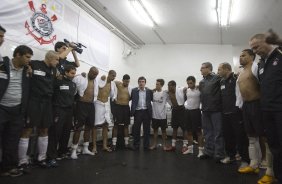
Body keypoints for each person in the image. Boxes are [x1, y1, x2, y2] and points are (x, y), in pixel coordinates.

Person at [237, 49, 274, 184]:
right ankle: (254, 165)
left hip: (258, 104)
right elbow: (239, 92)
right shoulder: (241, 73)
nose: (240, 58)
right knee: (251, 136)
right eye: (240, 56)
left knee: (264, 136)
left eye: (243, 55)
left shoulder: (257, 68)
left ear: (251, 56)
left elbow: (264, 85)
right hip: (246, 106)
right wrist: (240, 105)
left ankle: (268, 166)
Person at [18, 50, 59, 169]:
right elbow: (23, 63)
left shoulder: (54, 70)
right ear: (50, 58)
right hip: (34, 101)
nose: (57, 62)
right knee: (27, 130)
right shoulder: (34, 64)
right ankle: (22, 161)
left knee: (44, 130)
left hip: (47, 103)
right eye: (56, 60)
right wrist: (27, 68)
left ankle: (41, 158)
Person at [250, 32, 282, 184]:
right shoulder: (261, 64)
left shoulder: (280, 54)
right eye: (253, 48)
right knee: (274, 146)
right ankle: (278, 176)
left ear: (266, 42)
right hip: (267, 110)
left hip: (280, 109)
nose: (254, 51)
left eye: (256, 47)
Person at [0, 45, 33, 177]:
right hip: (1, 108)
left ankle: (8, 167)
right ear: (18, 55)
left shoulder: (27, 70)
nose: (29, 60)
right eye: (27, 57)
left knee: (12, 140)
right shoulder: (2, 64)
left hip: (17, 111)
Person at [217, 63, 249, 166]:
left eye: (220, 69)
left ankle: (245, 160)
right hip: (225, 113)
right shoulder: (221, 81)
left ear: (227, 69)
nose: (218, 71)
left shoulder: (236, 78)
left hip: (236, 113)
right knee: (228, 136)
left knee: (240, 136)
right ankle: (231, 156)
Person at [47, 65, 77, 163]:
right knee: (55, 133)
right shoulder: (57, 81)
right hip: (58, 110)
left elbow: (73, 98)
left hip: (69, 111)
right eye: (72, 73)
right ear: (66, 72)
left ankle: (62, 152)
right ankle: (51, 156)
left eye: (74, 73)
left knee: (66, 133)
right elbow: (51, 95)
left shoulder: (73, 85)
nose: (73, 75)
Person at [70, 67, 99, 159]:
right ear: (89, 71)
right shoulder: (80, 78)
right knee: (78, 128)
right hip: (81, 104)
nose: (94, 76)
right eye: (93, 74)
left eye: (96, 74)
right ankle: (74, 150)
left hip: (91, 105)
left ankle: (85, 148)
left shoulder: (96, 81)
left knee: (88, 127)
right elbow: (72, 87)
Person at [198, 62, 224, 163]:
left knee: (218, 133)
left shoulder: (217, 78)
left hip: (216, 110)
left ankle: (219, 153)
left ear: (209, 68)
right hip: (205, 110)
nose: (200, 70)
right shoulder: (202, 82)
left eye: (202, 68)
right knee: (208, 133)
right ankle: (209, 152)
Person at [92, 70, 116, 153]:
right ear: (108, 74)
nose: (113, 77)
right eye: (112, 75)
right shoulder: (101, 79)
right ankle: (94, 147)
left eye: (114, 76)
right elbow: (95, 82)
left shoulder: (112, 84)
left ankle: (104, 146)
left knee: (105, 126)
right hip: (98, 104)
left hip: (106, 104)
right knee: (95, 126)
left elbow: (112, 95)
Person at [183, 76, 204, 157]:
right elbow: (186, 100)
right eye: (188, 83)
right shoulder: (187, 90)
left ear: (195, 82)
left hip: (196, 112)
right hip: (188, 112)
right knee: (189, 131)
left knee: (198, 132)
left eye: (191, 83)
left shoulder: (199, 89)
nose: (189, 85)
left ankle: (201, 150)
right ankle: (190, 149)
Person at [130, 76, 153, 151]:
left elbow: (152, 100)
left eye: (142, 81)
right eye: (140, 82)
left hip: (146, 111)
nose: (141, 83)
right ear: (138, 83)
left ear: (145, 83)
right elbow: (130, 99)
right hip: (138, 112)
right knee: (136, 129)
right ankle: (136, 145)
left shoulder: (149, 91)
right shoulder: (134, 91)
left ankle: (146, 146)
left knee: (147, 130)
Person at [166, 80, 188, 153]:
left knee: (184, 128)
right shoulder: (168, 92)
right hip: (174, 111)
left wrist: (186, 89)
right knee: (174, 128)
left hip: (182, 110)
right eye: (168, 86)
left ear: (174, 86)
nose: (168, 87)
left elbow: (184, 88)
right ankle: (173, 146)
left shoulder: (179, 89)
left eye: (170, 86)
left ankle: (185, 146)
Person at [111, 74, 131, 150]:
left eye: (128, 82)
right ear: (122, 80)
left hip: (126, 108)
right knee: (116, 125)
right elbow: (111, 80)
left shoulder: (130, 88)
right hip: (118, 107)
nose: (127, 83)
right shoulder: (118, 84)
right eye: (126, 81)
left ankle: (126, 143)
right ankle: (113, 144)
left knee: (126, 125)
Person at [150, 79, 169, 150]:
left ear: (162, 85)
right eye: (156, 84)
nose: (156, 85)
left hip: (163, 116)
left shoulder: (165, 93)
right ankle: (154, 144)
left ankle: (164, 145)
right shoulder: (153, 94)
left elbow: (172, 92)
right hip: (154, 116)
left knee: (164, 131)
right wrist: (153, 89)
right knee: (155, 131)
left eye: (158, 84)